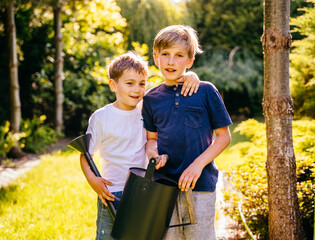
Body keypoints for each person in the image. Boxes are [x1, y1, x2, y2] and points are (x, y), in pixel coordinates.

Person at [79, 51, 200, 240]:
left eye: (142, 83)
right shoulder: (101, 118)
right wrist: (93, 181)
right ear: (113, 85)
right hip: (112, 192)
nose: (137, 89)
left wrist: (191, 76)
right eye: (130, 83)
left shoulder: (147, 109)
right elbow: (85, 154)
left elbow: (171, 86)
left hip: (144, 190)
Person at [142, 25, 232, 240]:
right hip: (163, 187)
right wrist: (154, 155)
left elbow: (224, 136)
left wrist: (197, 165)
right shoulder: (150, 98)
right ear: (156, 58)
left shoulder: (205, 90)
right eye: (165, 54)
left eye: (179, 55)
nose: (171, 62)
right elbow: (151, 139)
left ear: (190, 61)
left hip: (200, 185)